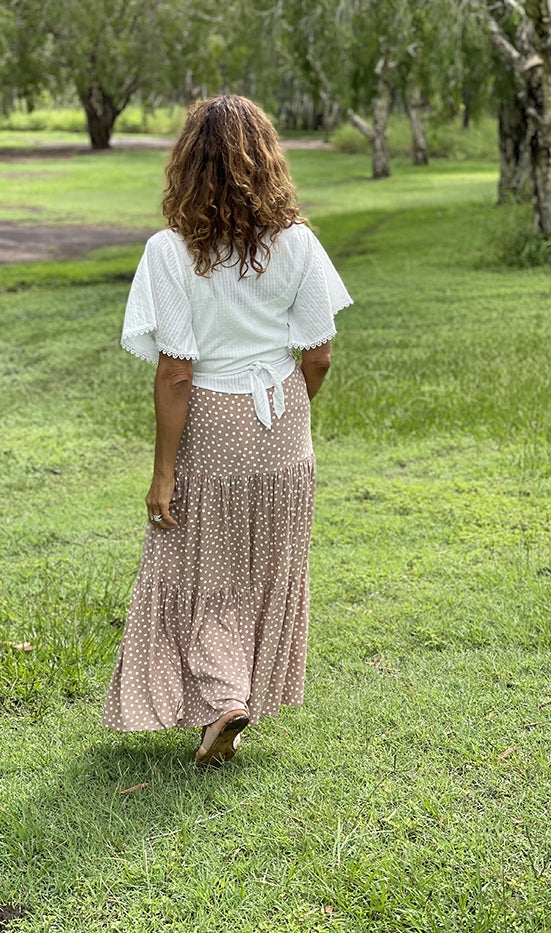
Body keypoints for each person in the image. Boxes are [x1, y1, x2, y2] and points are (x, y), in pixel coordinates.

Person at [102, 95, 352, 767]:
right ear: (267, 158)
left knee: (201, 566)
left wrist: (162, 471)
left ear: (188, 163)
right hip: (284, 424)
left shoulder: (170, 250)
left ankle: (223, 699)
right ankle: (234, 695)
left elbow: (177, 372)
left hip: (213, 419)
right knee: (265, 566)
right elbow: (320, 353)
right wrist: (292, 411)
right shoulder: (298, 241)